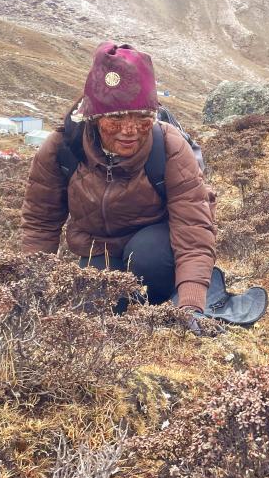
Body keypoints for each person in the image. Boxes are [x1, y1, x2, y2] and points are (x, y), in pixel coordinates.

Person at [21, 42, 216, 312]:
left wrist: (192, 304)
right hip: (99, 250)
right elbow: (40, 225)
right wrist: (30, 290)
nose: (130, 130)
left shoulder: (169, 146)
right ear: (93, 117)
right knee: (92, 304)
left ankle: (169, 299)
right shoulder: (61, 148)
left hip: (157, 247)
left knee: (147, 255)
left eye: (143, 118)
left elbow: (193, 230)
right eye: (115, 119)